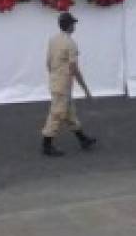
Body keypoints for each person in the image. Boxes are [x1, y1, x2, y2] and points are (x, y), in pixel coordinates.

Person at [41, 12, 98, 156]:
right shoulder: (70, 44)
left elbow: (48, 62)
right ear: (70, 26)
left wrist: (54, 75)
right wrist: (85, 89)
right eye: (73, 24)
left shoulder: (53, 40)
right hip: (64, 84)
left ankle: (83, 139)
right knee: (57, 114)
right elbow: (74, 69)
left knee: (69, 113)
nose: (74, 26)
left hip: (55, 80)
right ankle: (46, 145)